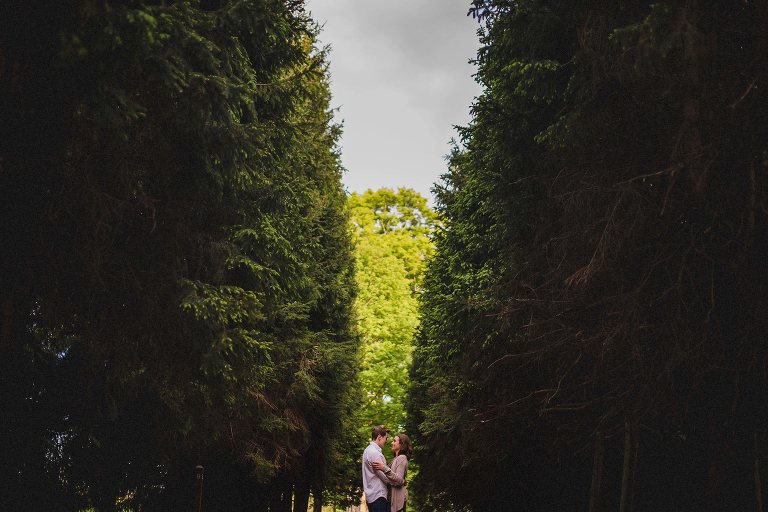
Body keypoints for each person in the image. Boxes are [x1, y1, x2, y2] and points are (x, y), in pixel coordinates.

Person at [372, 433, 412, 512]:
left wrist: (384, 468)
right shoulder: (396, 458)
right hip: (391, 500)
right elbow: (395, 479)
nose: (392, 443)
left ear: (401, 444)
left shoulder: (402, 458)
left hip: (397, 502)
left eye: (394, 441)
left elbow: (399, 480)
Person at [362, 425, 390, 512]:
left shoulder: (368, 450)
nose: (386, 441)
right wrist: (397, 481)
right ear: (379, 437)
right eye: (386, 438)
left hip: (373, 496)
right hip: (378, 496)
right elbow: (384, 476)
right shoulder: (374, 453)